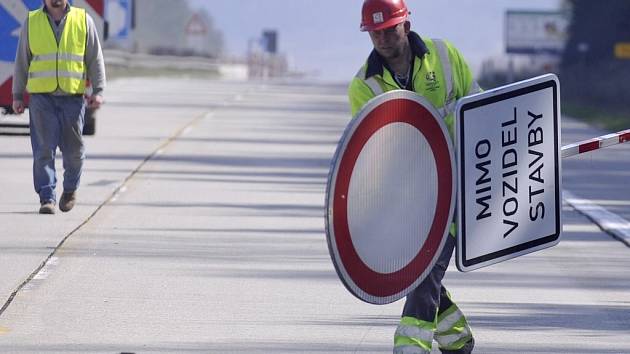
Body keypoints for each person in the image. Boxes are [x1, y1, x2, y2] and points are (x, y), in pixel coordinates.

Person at [348, 0, 481, 353]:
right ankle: (457, 340)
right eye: (375, 33)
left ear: (406, 24)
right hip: (410, 200)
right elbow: (372, 156)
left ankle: (409, 347)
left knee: (426, 268)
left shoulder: (444, 56)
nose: (383, 39)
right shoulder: (364, 87)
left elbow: (479, 106)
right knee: (421, 271)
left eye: (389, 30)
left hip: (460, 186)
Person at [12, 0, 106, 214]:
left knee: (74, 152)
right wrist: (17, 95)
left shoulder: (83, 20)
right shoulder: (32, 21)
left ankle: (70, 189)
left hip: (72, 98)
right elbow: (22, 60)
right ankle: (47, 197)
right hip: (41, 98)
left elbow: (94, 59)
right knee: (43, 150)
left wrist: (98, 91)